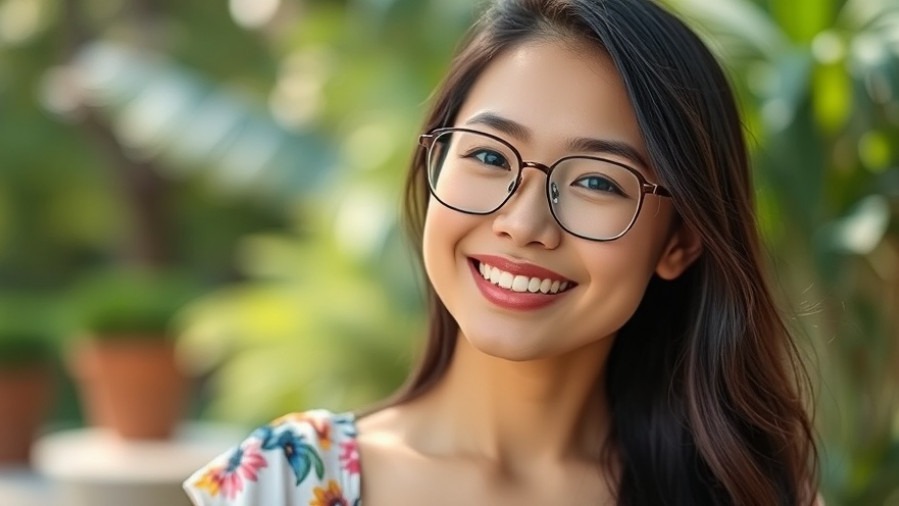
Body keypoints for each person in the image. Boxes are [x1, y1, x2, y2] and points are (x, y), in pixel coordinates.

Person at [184, 0, 819, 504]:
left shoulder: (753, 494)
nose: (523, 223)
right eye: (488, 155)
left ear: (679, 241)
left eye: (598, 180)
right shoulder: (285, 484)